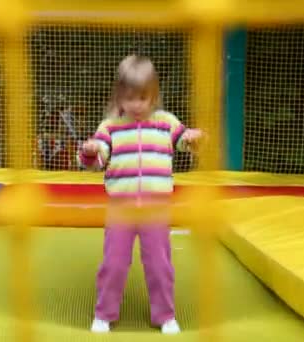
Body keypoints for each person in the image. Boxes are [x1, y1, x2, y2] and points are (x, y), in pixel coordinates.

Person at [77, 55, 204, 334]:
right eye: (130, 97)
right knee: (114, 263)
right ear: (119, 97)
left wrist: (193, 138)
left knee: (160, 264)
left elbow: (183, 140)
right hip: (121, 209)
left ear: (154, 96)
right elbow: (97, 155)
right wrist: (90, 152)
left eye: (143, 97)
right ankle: (104, 313)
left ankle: (166, 315)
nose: (136, 104)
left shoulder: (166, 123)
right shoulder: (110, 127)